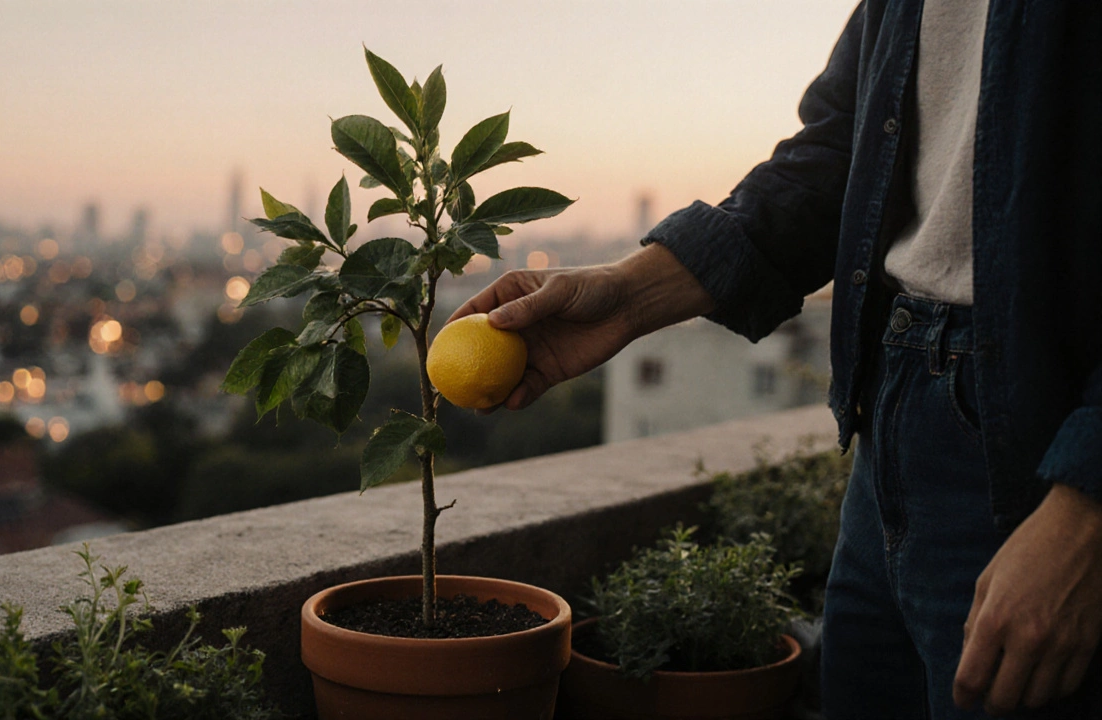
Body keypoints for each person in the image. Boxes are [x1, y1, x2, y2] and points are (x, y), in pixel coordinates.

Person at [452, 2, 1100, 717]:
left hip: (1045, 429)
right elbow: (834, 157)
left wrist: (1087, 512)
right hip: (890, 403)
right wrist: (628, 295)